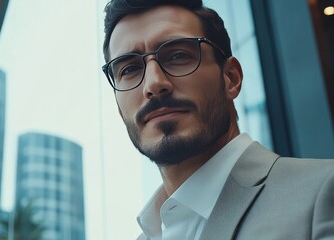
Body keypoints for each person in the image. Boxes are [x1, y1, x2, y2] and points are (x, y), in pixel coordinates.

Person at [101, 0, 334, 239]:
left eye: (178, 55)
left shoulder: (323, 194)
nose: (153, 84)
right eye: (128, 69)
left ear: (231, 78)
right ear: (120, 108)